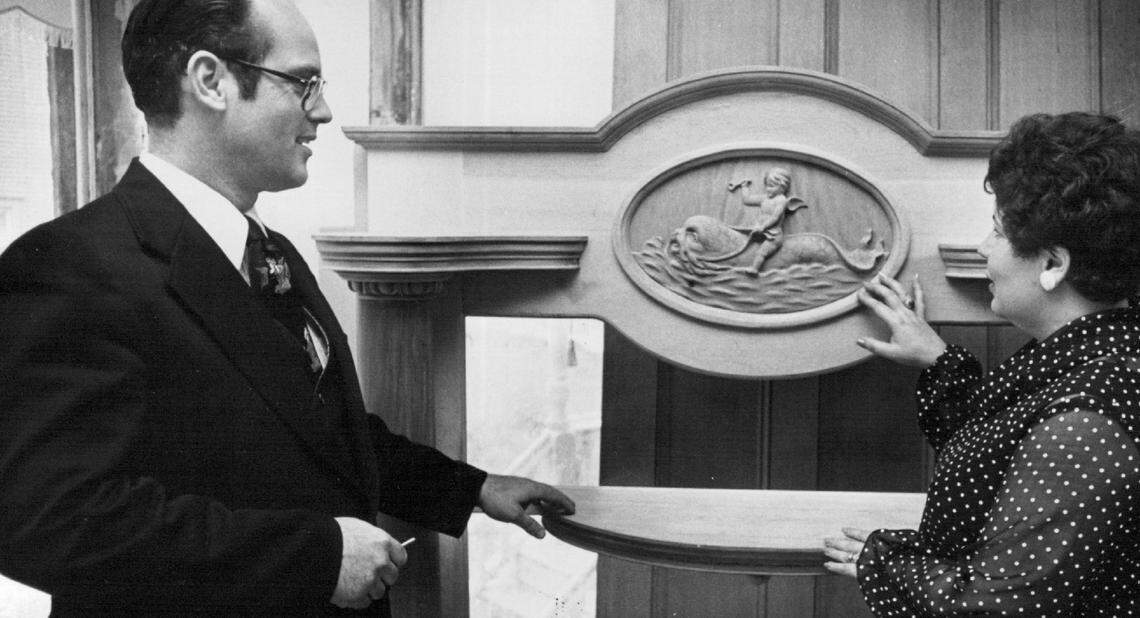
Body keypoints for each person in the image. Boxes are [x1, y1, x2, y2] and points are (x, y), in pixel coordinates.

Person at [0, 0, 574, 615]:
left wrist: (472, 488)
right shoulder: (67, 263)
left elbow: (315, 435)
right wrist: (317, 557)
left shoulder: (270, 252)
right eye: (303, 84)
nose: (323, 111)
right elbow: (41, 519)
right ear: (211, 81)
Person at [823, 112, 1140, 615]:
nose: (981, 249)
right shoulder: (1092, 351)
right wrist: (939, 360)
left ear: (1054, 265)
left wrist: (881, 561)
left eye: (997, 232)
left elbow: (999, 606)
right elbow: (1000, 458)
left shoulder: (1086, 422)